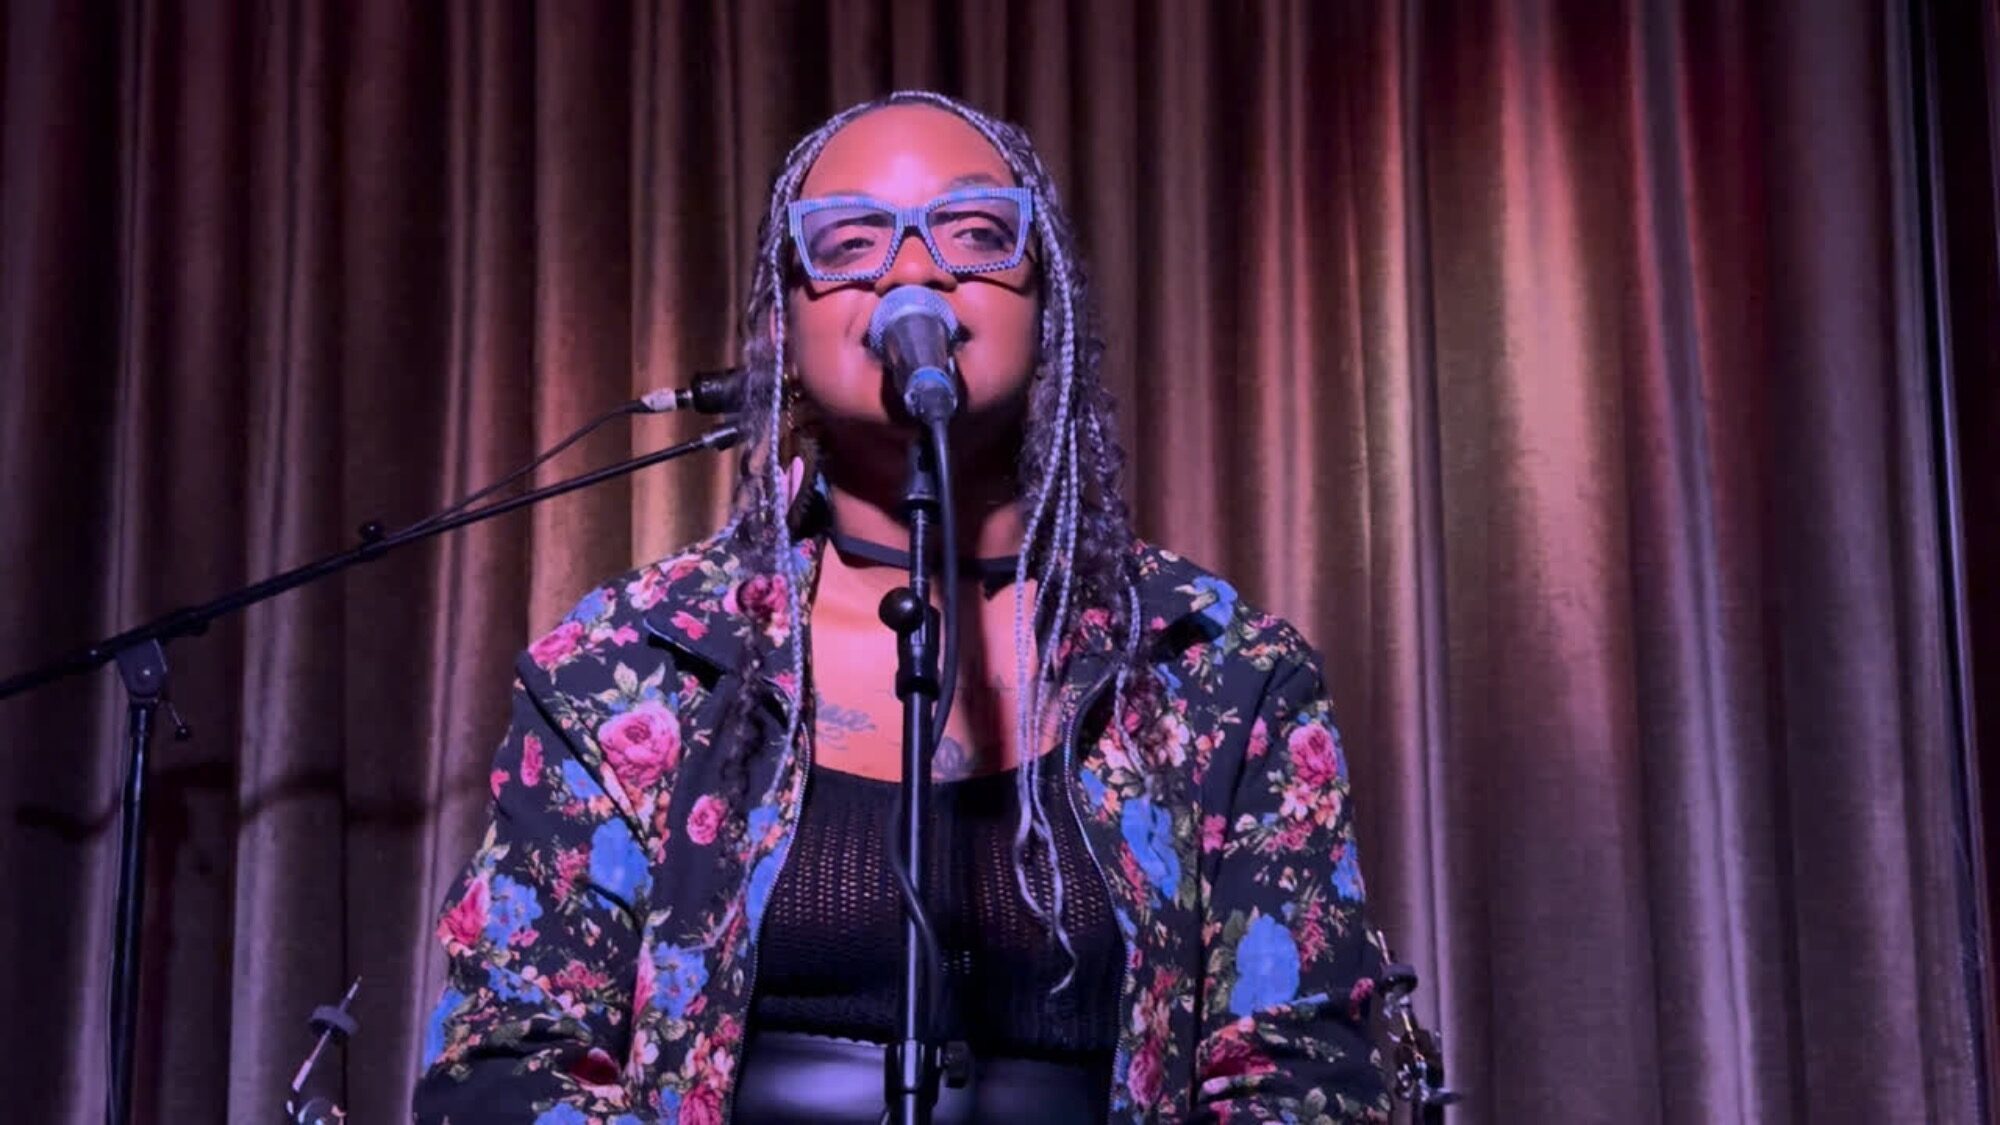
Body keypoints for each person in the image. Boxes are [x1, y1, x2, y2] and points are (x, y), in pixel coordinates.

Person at [414, 89, 1390, 1124]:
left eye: (974, 233)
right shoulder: (626, 668)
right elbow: (507, 1062)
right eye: (848, 240)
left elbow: (1305, 1076)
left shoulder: (1220, 672)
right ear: (782, 324)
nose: (913, 272)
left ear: (1044, 303)